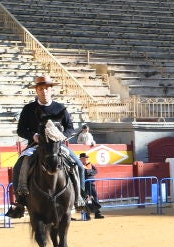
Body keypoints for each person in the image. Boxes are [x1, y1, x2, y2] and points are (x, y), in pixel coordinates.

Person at [6, 75, 77, 219]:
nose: (44, 91)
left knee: (79, 166)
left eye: (46, 88)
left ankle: (82, 198)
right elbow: (21, 130)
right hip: (36, 146)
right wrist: (34, 136)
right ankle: (20, 202)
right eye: (40, 89)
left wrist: (61, 136)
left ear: (51, 90)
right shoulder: (28, 109)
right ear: (36, 91)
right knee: (20, 164)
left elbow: (70, 128)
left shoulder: (60, 108)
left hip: (58, 146)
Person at [77, 153, 104, 220]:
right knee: (87, 198)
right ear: (81, 159)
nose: (86, 159)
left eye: (87, 158)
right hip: (84, 184)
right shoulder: (79, 165)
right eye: (85, 158)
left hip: (91, 183)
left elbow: (95, 171)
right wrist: (89, 171)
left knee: (95, 197)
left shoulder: (89, 164)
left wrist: (88, 171)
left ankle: (97, 213)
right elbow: (85, 173)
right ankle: (87, 215)